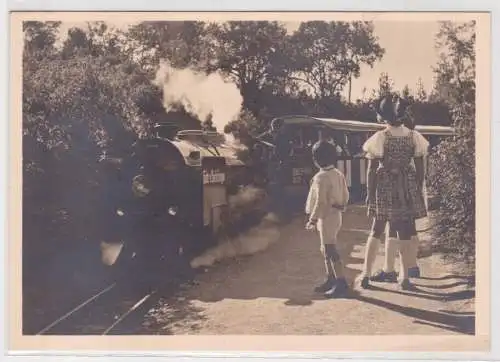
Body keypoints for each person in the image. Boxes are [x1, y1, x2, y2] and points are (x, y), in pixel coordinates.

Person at [358, 95, 429, 290]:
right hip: (406, 185)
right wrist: (417, 187)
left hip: (385, 184)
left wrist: (369, 193)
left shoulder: (380, 137)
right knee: (405, 230)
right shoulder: (413, 135)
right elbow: (420, 167)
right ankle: (405, 277)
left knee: (377, 228)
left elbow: (372, 169)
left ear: (383, 117)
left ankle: (365, 273)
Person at [305, 141, 350, 298]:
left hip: (325, 217)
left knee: (330, 249)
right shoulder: (338, 174)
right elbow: (346, 193)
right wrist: (342, 206)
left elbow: (321, 202)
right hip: (336, 215)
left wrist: (312, 219)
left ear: (316, 159)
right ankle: (331, 278)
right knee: (326, 248)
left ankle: (341, 281)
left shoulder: (320, 177)